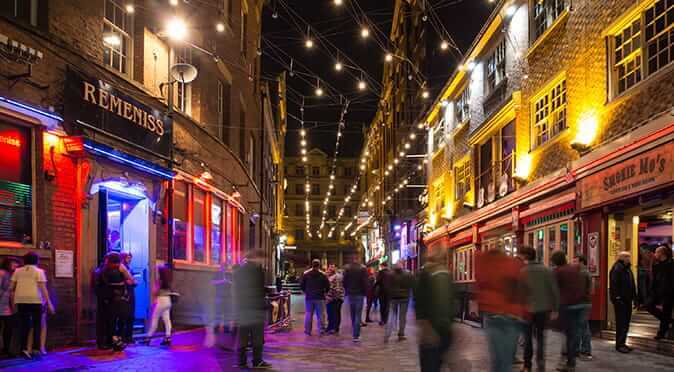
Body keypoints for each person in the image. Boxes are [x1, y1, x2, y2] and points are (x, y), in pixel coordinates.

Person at [476, 248, 527, 372]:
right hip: (510, 315)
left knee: (497, 359)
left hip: (491, 312)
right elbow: (522, 291)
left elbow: (480, 284)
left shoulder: (484, 263)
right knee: (505, 360)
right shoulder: (514, 265)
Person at [518, 246, 559, 372]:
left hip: (527, 310)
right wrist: (555, 309)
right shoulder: (546, 270)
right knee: (541, 337)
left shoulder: (522, 271)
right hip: (543, 309)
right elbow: (554, 290)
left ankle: (527, 366)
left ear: (525, 256)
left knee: (527, 338)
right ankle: (541, 365)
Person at [415, 248, 454, 372]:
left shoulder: (427, 273)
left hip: (432, 329)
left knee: (429, 364)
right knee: (433, 364)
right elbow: (444, 303)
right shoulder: (440, 274)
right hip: (438, 329)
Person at [10, 252, 54, 359]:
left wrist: (13, 301)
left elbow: (11, 287)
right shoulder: (39, 271)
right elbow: (43, 289)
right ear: (37, 261)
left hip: (21, 301)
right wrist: (49, 303)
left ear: (24, 261)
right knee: (37, 325)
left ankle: (24, 349)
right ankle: (36, 349)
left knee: (24, 326)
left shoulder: (17, 271)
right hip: (35, 301)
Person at [551, 250, 589, 372]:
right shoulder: (575, 269)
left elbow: (555, 292)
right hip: (582, 303)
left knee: (568, 334)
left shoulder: (557, 272)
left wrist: (554, 309)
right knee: (576, 332)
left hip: (567, 305)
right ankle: (573, 359)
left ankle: (569, 362)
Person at [233, 249, 271, 369]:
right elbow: (258, 290)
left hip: (242, 308)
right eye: (262, 259)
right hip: (255, 308)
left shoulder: (238, 271)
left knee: (242, 336)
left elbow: (236, 290)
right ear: (257, 258)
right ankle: (257, 360)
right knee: (257, 336)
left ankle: (241, 362)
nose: (263, 261)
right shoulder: (258, 270)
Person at [99, 252, 133, 351]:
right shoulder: (115, 271)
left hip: (112, 300)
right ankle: (116, 341)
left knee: (113, 322)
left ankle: (114, 341)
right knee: (116, 322)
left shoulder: (106, 270)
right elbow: (131, 280)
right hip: (116, 300)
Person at [609, 251, 636, 353]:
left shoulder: (627, 269)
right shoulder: (617, 269)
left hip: (627, 300)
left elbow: (632, 284)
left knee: (626, 323)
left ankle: (623, 343)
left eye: (629, 256)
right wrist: (617, 298)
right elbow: (614, 284)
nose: (628, 258)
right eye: (626, 256)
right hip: (621, 301)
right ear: (620, 258)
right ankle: (619, 344)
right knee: (621, 323)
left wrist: (634, 297)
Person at [647, 245, 673, 340]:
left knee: (666, 311)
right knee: (648, 305)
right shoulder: (656, 265)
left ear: (662, 254)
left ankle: (661, 333)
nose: (655, 254)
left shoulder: (671, 264)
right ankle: (668, 321)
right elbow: (654, 279)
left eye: (656, 252)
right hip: (657, 292)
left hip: (668, 292)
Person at [144, 264, 174, 346]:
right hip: (168, 300)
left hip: (161, 301)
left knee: (154, 319)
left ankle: (148, 338)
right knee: (167, 320)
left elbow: (155, 292)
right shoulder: (168, 280)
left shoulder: (159, 280)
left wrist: (155, 292)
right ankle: (168, 338)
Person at [385, 262, 414, 342]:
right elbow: (411, 285)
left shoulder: (390, 274)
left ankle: (387, 334)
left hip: (393, 298)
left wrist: (390, 294)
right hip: (404, 298)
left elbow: (387, 286)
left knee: (392, 315)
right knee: (402, 317)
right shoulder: (408, 274)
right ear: (402, 266)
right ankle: (401, 334)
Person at [300, 259, 329, 336]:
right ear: (319, 265)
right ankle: (321, 330)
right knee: (321, 315)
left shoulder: (306, 274)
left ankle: (307, 331)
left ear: (312, 265)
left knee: (308, 314)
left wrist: (306, 291)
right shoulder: (323, 274)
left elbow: (302, 285)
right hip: (320, 297)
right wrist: (325, 292)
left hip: (309, 297)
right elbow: (327, 286)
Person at [342, 257, 368, 342]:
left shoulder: (347, 268)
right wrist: (365, 292)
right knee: (358, 315)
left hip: (350, 293)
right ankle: (356, 335)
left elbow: (344, 281)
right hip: (359, 294)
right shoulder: (363, 268)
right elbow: (365, 282)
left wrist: (347, 290)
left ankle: (354, 331)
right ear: (358, 260)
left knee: (353, 314)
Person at [574, 255, 593, 361]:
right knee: (582, 327)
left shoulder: (582, 273)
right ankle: (583, 349)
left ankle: (584, 350)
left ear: (582, 262)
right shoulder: (586, 272)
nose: (573, 263)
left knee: (582, 327)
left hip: (582, 303)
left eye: (575, 261)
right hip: (584, 303)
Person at [0, 257, 19, 357]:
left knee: (8, 330)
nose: (16, 266)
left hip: (8, 308)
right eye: (14, 263)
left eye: (17, 264)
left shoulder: (12, 275)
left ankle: (6, 350)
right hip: (2, 306)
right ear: (7, 263)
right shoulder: (2, 273)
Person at [120, 252, 136, 344]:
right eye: (127, 258)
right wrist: (128, 282)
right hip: (124, 294)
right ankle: (122, 337)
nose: (129, 260)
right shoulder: (121, 268)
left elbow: (133, 281)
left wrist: (133, 282)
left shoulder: (130, 268)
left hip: (131, 293)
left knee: (131, 316)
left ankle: (129, 337)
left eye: (130, 258)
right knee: (123, 316)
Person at [325, 264, 344, 334]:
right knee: (330, 313)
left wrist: (335, 298)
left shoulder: (337, 276)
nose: (329, 270)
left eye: (331, 268)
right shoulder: (329, 276)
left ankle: (335, 328)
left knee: (335, 314)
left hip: (336, 298)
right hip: (330, 298)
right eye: (329, 268)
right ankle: (330, 327)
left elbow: (337, 289)